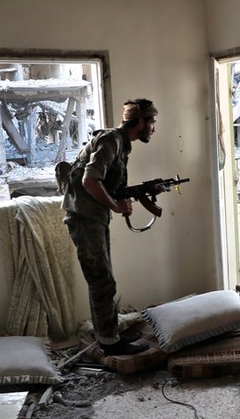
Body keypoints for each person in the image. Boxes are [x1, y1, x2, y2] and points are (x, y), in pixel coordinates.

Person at [61, 99, 159, 356]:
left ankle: (108, 331)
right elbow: (90, 180)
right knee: (102, 280)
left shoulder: (120, 144)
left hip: (93, 217)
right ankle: (109, 342)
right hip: (84, 218)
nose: (153, 129)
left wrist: (143, 191)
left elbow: (106, 184)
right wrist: (115, 206)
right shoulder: (112, 141)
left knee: (102, 278)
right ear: (140, 122)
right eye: (152, 122)